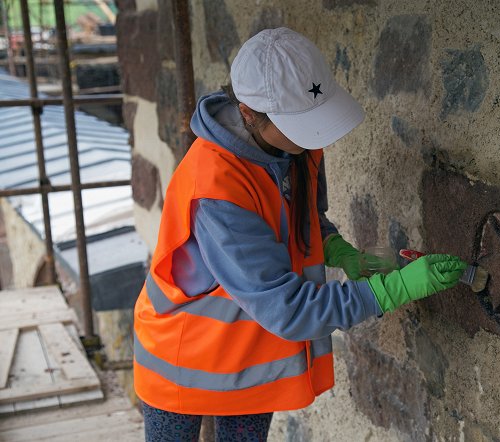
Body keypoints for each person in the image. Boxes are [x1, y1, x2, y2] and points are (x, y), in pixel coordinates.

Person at [133, 27, 467, 442]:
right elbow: (287, 308)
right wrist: (391, 290)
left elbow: (302, 218)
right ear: (249, 113)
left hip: (250, 356)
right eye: (298, 125)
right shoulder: (216, 189)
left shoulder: (298, 144)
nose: (314, 135)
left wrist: (339, 250)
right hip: (182, 360)